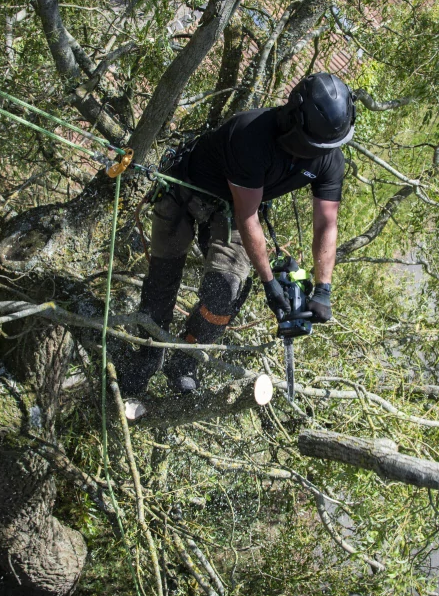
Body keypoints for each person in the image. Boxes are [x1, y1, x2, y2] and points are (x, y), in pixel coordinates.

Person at [120, 72, 355, 395]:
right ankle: (146, 357)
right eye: (310, 145)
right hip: (187, 191)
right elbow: (248, 217)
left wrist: (323, 290)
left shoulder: (330, 160)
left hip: (230, 209)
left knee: (225, 290)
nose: (315, 153)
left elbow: (326, 225)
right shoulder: (251, 135)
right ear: (293, 120)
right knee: (163, 280)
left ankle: (185, 362)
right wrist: (269, 282)